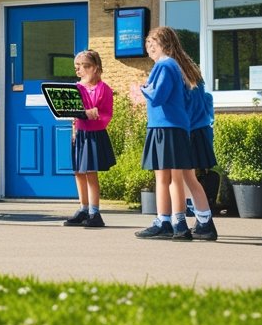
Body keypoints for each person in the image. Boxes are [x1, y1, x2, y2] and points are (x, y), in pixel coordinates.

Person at [128, 26, 200, 241]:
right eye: (147, 44)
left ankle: (171, 223)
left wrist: (140, 90)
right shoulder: (175, 67)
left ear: (165, 45)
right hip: (173, 127)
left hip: (164, 127)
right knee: (170, 178)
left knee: (166, 178)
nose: (149, 49)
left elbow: (157, 96)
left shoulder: (164, 65)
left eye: (153, 44)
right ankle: (171, 221)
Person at [64, 49, 116, 228]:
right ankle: (83, 208)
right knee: (78, 171)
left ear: (96, 68)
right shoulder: (76, 88)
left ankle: (95, 211)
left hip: (94, 134)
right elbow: (72, 111)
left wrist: (93, 114)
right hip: (79, 133)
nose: (80, 70)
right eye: (77, 67)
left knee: (91, 172)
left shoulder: (104, 89)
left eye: (85, 66)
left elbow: (105, 113)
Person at [183, 84, 219, 240]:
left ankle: (202, 221)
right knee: (187, 178)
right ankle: (201, 220)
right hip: (199, 131)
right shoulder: (195, 80)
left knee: (187, 178)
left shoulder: (185, 81)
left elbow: (187, 110)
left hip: (190, 132)